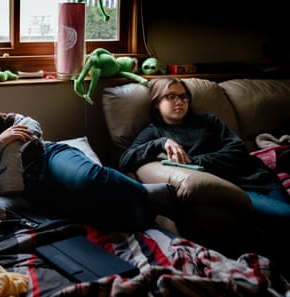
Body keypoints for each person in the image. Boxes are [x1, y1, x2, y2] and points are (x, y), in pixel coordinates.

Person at [0, 96, 177, 231]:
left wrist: (4, 135)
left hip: (49, 157)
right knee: (115, 220)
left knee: (88, 179)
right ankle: (151, 207)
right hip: (36, 190)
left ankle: (152, 194)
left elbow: (31, 126)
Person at [119, 77, 290, 271]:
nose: (179, 101)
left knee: (279, 230)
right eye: (171, 96)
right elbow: (126, 160)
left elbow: (237, 149)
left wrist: (197, 162)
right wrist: (160, 143)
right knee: (285, 216)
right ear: (157, 103)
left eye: (184, 97)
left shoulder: (208, 121)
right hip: (235, 187)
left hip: (260, 176)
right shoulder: (154, 132)